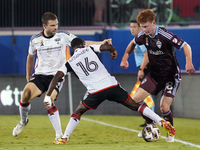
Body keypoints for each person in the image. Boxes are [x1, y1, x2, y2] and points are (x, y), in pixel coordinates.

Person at [44, 37, 175, 144]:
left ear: (73, 49)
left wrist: (49, 95)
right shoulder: (89, 48)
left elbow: (57, 77)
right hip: (112, 85)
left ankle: (64, 137)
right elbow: (106, 47)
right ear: (83, 44)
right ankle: (161, 121)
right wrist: (112, 51)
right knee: (135, 105)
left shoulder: (69, 62)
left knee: (78, 111)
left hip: (95, 91)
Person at [12, 12, 111, 141]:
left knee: (49, 100)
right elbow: (30, 57)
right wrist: (28, 76)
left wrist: (101, 42)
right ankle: (23, 121)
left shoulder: (62, 36)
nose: (55, 28)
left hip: (57, 75)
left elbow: (81, 42)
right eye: (52, 25)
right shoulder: (35, 39)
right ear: (44, 26)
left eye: (56, 24)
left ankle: (59, 135)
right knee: (25, 95)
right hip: (40, 75)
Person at [120, 9, 195, 142]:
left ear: (153, 23)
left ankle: (170, 133)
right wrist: (125, 58)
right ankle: (151, 124)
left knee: (164, 107)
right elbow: (132, 43)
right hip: (154, 75)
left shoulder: (165, 35)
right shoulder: (143, 36)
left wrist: (189, 62)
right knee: (134, 100)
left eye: (146, 26)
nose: (144, 30)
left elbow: (185, 45)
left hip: (170, 76)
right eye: (142, 27)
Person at [120, 20, 155, 129]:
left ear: (140, 28)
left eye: (134, 27)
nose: (132, 29)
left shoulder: (141, 40)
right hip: (143, 68)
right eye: (131, 27)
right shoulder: (138, 39)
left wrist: (142, 69)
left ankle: (151, 119)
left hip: (146, 67)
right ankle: (150, 118)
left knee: (145, 94)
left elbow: (147, 56)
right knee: (144, 94)